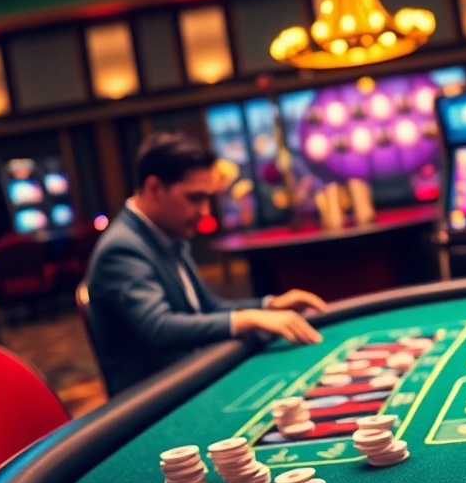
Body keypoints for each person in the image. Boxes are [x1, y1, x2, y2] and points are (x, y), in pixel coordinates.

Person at [86, 133, 327, 396]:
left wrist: (269, 305)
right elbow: (159, 327)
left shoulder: (167, 235)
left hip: (191, 380)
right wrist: (248, 318)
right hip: (152, 404)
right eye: (195, 198)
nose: (205, 212)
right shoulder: (122, 247)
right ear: (154, 188)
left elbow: (206, 308)